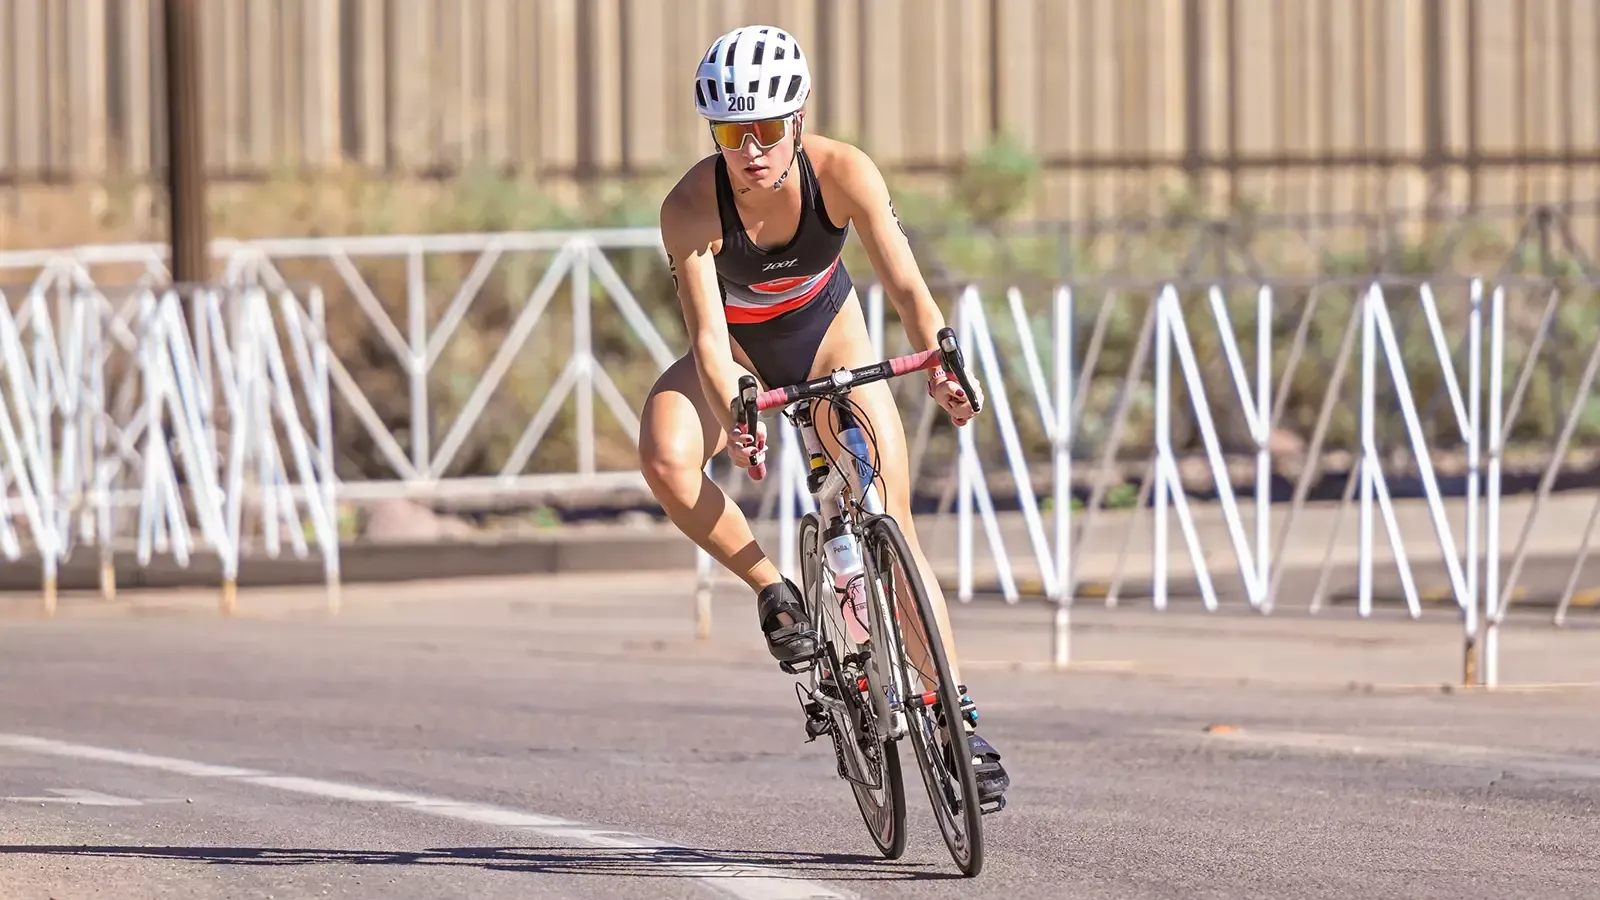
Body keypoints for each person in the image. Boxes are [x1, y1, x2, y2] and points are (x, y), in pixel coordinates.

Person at [638, 24, 1010, 806]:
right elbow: (707, 336)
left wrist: (941, 359)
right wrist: (733, 408)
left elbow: (908, 288)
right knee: (665, 455)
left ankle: (953, 719)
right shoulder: (689, 207)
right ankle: (775, 589)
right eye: (732, 133)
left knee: (888, 519)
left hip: (828, 343)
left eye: (767, 129)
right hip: (739, 356)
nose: (751, 149)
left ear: (797, 121)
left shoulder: (842, 172)